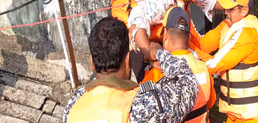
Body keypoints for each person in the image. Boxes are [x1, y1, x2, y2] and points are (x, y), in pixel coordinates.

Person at [63, 17, 199, 123]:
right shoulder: (145, 107)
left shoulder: (73, 105)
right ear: (128, 60)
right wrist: (159, 53)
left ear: (92, 62)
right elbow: (187, 83)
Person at [110, 0, 221, 82]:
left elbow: (210, 0)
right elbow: (137, 23)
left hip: (154, 32)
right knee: (147, 81)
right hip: (133, 34)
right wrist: (149, 53)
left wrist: (235, 7)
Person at [190, 0, 258, 123]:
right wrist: (185, 17)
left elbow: (212, 65)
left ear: (244, 10)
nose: (226, 13)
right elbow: (202, 45)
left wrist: (183, 55)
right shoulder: (228, 26)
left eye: (230, 9)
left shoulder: (247, 34)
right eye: (225, 8)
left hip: (253, 117)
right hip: (234, 114)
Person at [141, 6, 216, 122]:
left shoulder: (156, 74)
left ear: (165, 34)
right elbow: (210, 103)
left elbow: (141, 112)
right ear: (189, 37)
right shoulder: (203, 67)